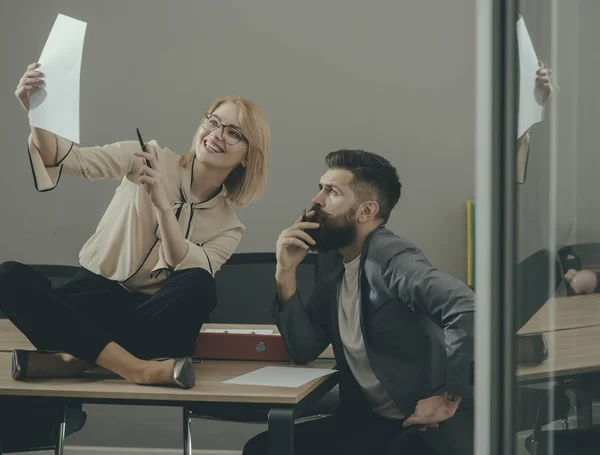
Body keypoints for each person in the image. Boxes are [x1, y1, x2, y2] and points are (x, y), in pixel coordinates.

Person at [0, 62, 270, 389]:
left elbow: (179, 263)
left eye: (233, 133)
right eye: (213, 122)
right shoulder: (145, 155)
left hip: (150, 318)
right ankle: (131, 367)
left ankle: (78, 357)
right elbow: (67, 160)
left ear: (246, 156)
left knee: (199, 284)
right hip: (92, 299)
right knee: (8, 276)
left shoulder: (229, 228)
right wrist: (37, 116)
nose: (215, 135)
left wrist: (160, 204)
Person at [244, 150, 475, 454]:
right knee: (263, 450)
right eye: (320, 188)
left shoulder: (393, 258)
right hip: (369, 422)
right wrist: (285, 271)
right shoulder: (334, 262)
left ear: (366, 211)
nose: (316, 200)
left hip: (424, 429)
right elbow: (304, 348)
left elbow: (467, 307)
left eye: (332, 192)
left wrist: (449, 398)